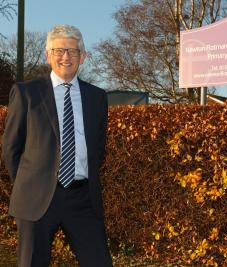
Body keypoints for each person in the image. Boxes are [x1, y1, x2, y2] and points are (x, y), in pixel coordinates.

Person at [2, 25, 113, 267]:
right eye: (59, 50)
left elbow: (97, 148)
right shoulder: (26, 94)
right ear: (48, 55)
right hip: (36, 199)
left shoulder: (97, 97)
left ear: (83, 57)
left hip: (82, 199)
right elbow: (11, 150)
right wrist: (29, 183)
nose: (66, 57)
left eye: (73, 51)